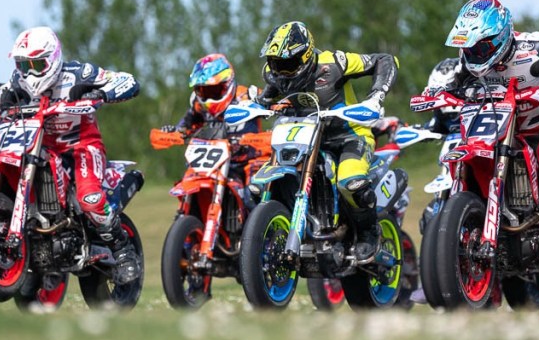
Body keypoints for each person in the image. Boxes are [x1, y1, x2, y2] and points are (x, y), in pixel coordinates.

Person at [436, 0, 539, 312]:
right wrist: (438, 92)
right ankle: (483, 278)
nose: (473, 53)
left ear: (499, 37)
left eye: (480, 46)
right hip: (494, 131)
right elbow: (453, 80)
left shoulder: (538, 46)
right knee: (466, 178)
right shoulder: (468, 59)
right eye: (469, 47)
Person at [0, 26, 142, 284]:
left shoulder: (78, 74)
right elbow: (0, 105)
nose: (29, 73)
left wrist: (101, 94)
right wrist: (2, 109)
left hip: (82, 147)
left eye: (36, 64)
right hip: (39, 149)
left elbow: (128, 81)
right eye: (23, 65)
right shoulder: (16, 82)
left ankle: (123, 251)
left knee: (90, 199)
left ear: (53, 59)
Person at [257, 20, 398, 263]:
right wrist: (253, 105)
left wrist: (376, 96)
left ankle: (369, 232)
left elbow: (385, 60)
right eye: (275, 63)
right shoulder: (276, 76)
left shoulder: (334, 63)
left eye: (287, 64)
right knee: (261, 182)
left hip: (349, 136)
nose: (281, 71)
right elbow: (264, 101)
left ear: (305, 56)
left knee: (350, 182)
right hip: (306, 139)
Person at [161, 53, 265, 192]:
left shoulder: (248, 96)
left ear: (227, 84)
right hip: (214, 162)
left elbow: (278, 106)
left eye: (214, 90)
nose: (209, 97)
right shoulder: (198, 104)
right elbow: (186, 126)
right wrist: (174, 132)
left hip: (249, 159)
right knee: (187, 180)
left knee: (256, 189)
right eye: (203, 91)